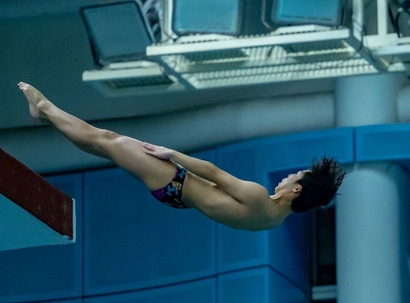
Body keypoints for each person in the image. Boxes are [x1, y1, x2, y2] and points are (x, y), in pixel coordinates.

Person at [18, 82, 345, 231]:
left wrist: (170, 153)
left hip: (175, 181)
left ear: (297, 189)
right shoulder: (272, 220)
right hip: (178, 195)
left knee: (106, 139)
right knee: (103, 146)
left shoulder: (260, 198)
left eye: (294, 176)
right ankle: (48, 116)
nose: (288, 176)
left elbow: (213, 172)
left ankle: (44, 107)